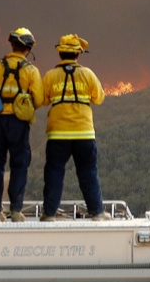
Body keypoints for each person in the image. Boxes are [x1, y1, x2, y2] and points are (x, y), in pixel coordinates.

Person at [0, 27, 45, 222]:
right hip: (19, 123)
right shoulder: (31, 70)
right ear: (28, 48)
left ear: (12, 45)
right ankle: (16, 210)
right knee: (19, 165)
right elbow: (39, 99)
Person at [41, 34, 108, 221]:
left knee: (54, 173)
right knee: (88, 173)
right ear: (78, 54)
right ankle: (97, 213)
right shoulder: (88, 74)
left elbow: (42, 100)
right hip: (84, 133)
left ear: (60, 53)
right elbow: (99, 98)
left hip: (57, 134)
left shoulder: (51, 76)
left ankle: (49, 214)